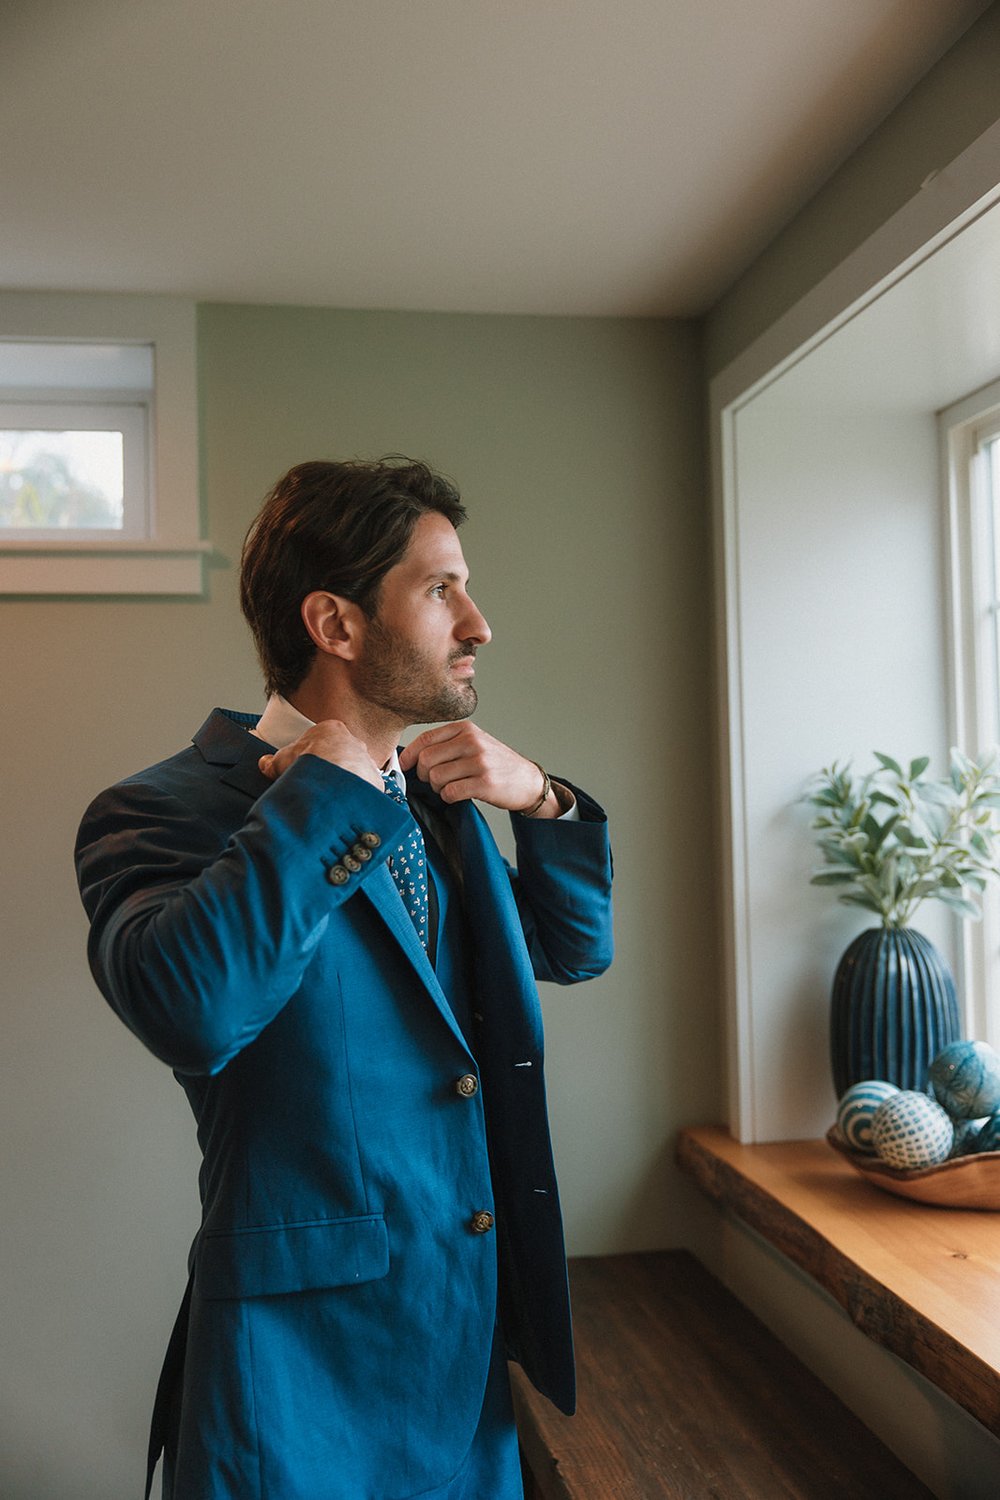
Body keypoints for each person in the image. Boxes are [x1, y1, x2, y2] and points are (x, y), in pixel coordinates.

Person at [75, 456, 613, 1500]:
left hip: (467, 1358)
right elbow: (195, 1010)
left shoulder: (439, 803)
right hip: (295, 1382)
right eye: (440, 587)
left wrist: (542, 800)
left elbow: (566, 951)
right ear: (335, 623)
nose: (478, 623)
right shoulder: (159, 812)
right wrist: (324, 790)